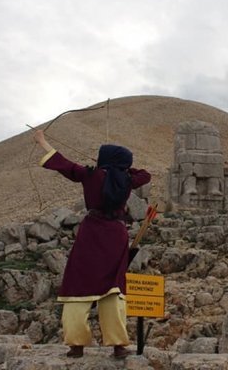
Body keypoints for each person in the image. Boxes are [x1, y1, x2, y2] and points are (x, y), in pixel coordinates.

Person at [33, 129, 151, 359]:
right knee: (114, 288)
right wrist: (122, 170)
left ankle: (76, 345)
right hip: (116, 235)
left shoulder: (90, 175)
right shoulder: (127, 179)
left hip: (91, 234)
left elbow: (63, 164)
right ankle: (118, 346)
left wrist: (42, 141)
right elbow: (145, 175)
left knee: (79, 286)